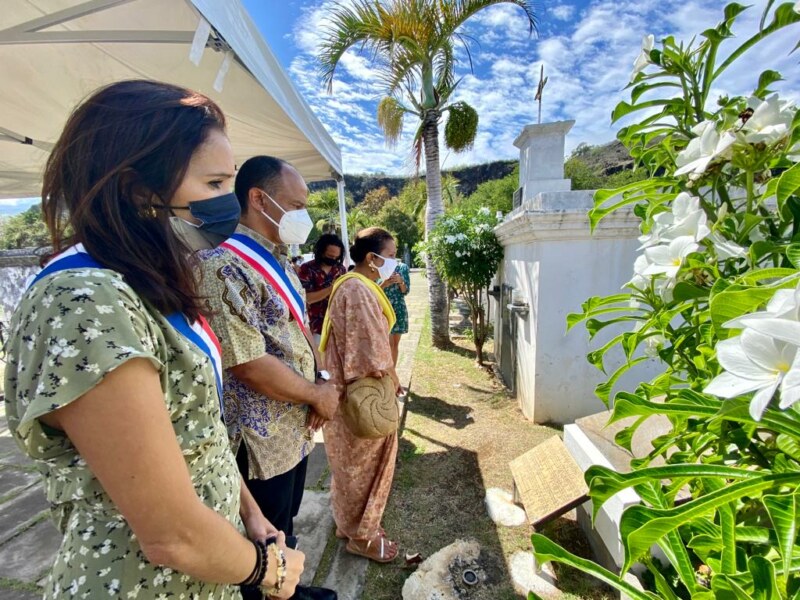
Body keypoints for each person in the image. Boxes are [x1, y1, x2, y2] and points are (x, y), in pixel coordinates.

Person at [2, 80, 303, 599]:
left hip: (210, 574)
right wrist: (271, 571)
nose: (225, 205)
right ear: (137, 189)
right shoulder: (85, 301)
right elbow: (171, 535)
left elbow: (201, 435)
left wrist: (251, 515)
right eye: (212, 184)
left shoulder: (150, 284)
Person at [196, 156, 339, 600]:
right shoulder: (221, 265)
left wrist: (323, 382)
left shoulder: (279, 260)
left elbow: (299, 331)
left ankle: (288, 590)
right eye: (297, 204)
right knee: (260, 534)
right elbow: (248, 362)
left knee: (287, 520)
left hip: (291, 428)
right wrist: (315, 393)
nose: (304, 217)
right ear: (259, 198)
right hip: (257, 439)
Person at [319, 227, 401, 563]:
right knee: (363, 467)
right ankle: (363, 537)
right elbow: (370, 354)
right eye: (392, 255)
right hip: (361, 397)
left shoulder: (357, 286)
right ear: (373, 258)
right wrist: (391, 378)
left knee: (349, 466)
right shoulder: (357, 290)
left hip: (345, 393)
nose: (394, 262)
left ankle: (349, 525)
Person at [298, 234, 347, 347]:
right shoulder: (307, 269)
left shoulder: (340, 269)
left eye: (336, 257)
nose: (333, 260)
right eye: (330, 256)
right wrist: (331, 288)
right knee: (320, 362)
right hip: (316, 326)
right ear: (321, 251)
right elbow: (308, 298)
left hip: (338, 324)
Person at [380, 255, 411, 367]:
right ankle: (387, 373)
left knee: (395, 345)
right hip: (383, 309)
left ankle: (393, 375)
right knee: (388, 344)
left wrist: (401, 281)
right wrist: (385, 283)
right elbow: (372, 290)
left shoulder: (402, 267)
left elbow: (405, 291)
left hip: (398, 309)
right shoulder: (377, 267)